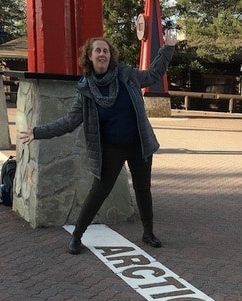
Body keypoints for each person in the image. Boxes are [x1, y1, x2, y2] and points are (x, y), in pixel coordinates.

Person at [19, 33, 177, 254]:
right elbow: (69, 122)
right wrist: (38, 132)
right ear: (90, 57)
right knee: (99, 192)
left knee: (143, 190)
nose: (102, 54)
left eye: (105, 50)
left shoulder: (127, 75)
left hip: (139, 144)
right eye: (98, 51)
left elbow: (152, 75)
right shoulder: (86, 90)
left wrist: (167, 49)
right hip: (111, 149)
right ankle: (77, 236)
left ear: (110, 55)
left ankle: (148, 232)